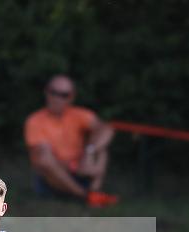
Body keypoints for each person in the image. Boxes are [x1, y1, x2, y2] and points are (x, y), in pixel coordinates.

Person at [24, 75, 118, 207]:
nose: (57, 99)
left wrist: (89, 151)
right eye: (53, 92)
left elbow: (106, 129)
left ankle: (94, 191)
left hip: (82, 168)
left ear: (71, 97)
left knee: (101, 147)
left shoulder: (78, 115)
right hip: (53, 178)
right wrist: (74, 166)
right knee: (44, 156)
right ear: (46, 92)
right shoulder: (35, 121)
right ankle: (85, 196)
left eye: (63, 95)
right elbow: (40, 159)